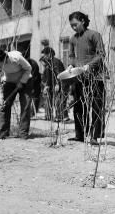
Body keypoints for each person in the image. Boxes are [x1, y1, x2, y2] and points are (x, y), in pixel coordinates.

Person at [67, 11, 106, 144]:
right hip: (79, 77)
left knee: (96, 107)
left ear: (83, 21)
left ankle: (95, 137)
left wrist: (89, 66)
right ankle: (80, 135)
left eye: (75, 24)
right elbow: (71, 56)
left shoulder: (94, 35)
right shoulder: (72, 39)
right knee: (78, 107)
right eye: (71, 25)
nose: (73, 27)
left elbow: (101, 54)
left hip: (96, 77)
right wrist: (70, 66)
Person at [0, 47, 33, 139]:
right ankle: (3, 133)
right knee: (4, 106)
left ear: (3, 59)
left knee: (25, 106)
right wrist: (0, 97)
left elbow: (28, 68)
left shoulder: (16, 57)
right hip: (9, 81)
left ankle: (23, 133)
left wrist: (22, 81)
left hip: (25, 80)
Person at [39, 47, 68, 122]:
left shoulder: (55, 62)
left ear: (49, 54)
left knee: (59, 100)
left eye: (45, 54)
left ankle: (60, 117)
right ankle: (52, 116)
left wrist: (58, 84)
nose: (44, 56)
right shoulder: (49, 62)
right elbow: (49, 75)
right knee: (53, 100)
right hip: (54, 84)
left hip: (61, 84)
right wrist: (47, 85)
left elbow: (59, 73)